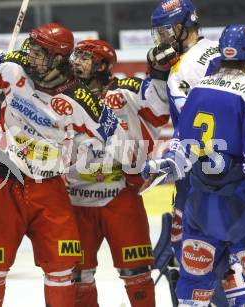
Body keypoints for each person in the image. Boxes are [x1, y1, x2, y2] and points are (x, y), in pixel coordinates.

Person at [0, 7, 129, 307]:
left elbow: (118, 138)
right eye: (30, 48)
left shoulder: (81, 99)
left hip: (48, 187)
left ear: (59, 59)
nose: (30, 55)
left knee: (62, 269)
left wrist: (144, 166)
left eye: (39, 52)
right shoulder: (12, 65)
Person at [176, 24, 245, 306]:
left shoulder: (198, 88)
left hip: (198, 203)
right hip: (241, 207)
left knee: (194, 279)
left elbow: (181, 144)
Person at [68, 39, 170, 306]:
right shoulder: (61, 96)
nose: (76, 62)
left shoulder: (126, 91)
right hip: (75, 199)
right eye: (75, 56)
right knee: (78, 276)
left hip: (121, 196)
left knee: (136, 271)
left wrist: (158, 71)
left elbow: (160, 110)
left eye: (85, 57)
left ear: (103, 65)